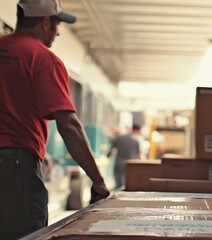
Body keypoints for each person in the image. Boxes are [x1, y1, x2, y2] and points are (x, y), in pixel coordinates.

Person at [0, 0, 110, 239]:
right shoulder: (43, 59)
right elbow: (68, 125)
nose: (59, 32)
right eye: (57, 24)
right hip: (15, 169)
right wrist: (98, 180)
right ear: (46, 22)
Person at [107, 124, 142, 189]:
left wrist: (108, 156)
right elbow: (139, 155)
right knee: (128, 185)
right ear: (137, 130)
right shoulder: (136, 141)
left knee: (118, 184)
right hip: (130, 165)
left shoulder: (119, 138)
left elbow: (111, 150)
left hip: (119, 164)